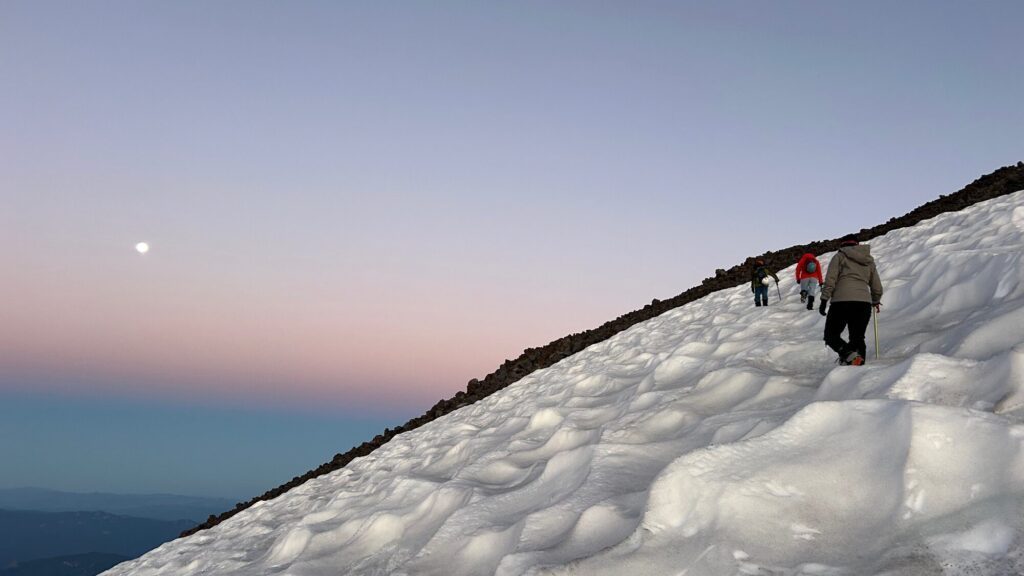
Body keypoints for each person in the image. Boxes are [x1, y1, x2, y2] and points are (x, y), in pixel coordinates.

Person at [819, 236, 883, 365]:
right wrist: (875, 300)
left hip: (841, 303)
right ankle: (858, 366)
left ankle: (850, 356)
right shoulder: (868, 261)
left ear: (842, 245)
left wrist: (824, 299)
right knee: (857, 337)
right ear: (857, 245)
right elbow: (877, 287)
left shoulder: (839, 257)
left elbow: (831, 280)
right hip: (863, 304)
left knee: (831, 336)